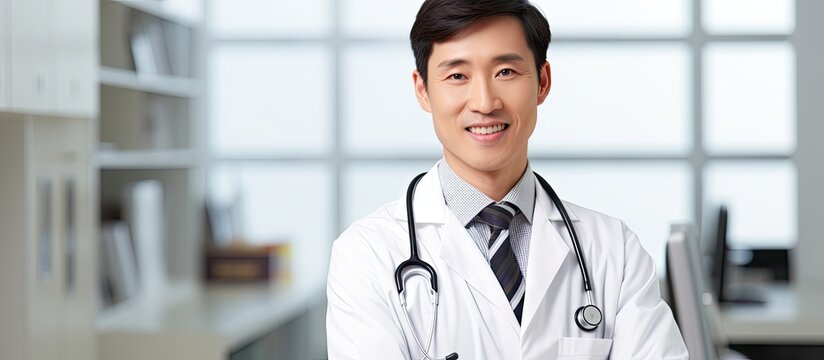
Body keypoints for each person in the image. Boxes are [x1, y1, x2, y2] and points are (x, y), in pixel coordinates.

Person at [326, 0, 688, 358]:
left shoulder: (614, 251)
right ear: (422, 90)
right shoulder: (367, 256)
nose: (484, 102)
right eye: (457, 76)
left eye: (506, 72)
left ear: (542, 81)